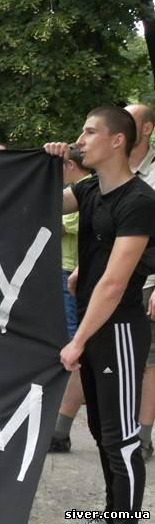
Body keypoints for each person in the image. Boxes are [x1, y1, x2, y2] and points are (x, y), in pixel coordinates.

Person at [44, 105, 155, 523]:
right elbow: (48, 204)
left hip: (119, 330)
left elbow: (114, 283)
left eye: (90, 132)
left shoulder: (140, 201)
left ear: (117, 140)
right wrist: (51, 166)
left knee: (120, 438)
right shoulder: (91, 189)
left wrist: (78, 340)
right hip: (95, 327)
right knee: (100, 432)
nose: (80, 139)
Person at [49, 144, 92, 453]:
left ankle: (72, 394)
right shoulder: (79, 189)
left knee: (74, 338)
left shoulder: (85, 190)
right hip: (65, 269)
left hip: (71, 270)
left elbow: (64, 227)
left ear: (70, 166)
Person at [126, 103, 155, 460]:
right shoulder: (112, 168)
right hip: (112, 279)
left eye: (129, 120)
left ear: (146, 129)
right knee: (87, 349)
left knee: (149, 361)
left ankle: (143, 438)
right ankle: (60, 428)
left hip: (148, 281)